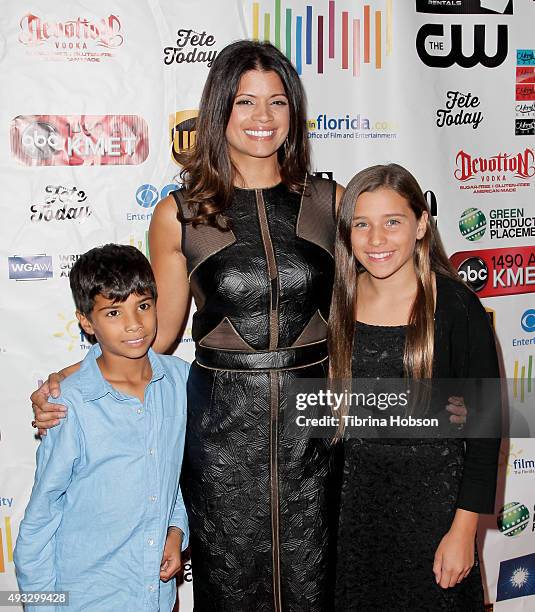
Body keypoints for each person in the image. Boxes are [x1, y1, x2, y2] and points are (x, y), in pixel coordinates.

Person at [30, 41, 344, 611]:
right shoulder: (181, 213)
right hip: (221, 434)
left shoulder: (328, 201)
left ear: (293, 112)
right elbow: (155, 332)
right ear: (219, 109)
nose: (263, 118)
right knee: (231, 593)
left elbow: (371, 309)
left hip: (316, 436)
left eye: (277, 102)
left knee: (317, 588)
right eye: (245, 102)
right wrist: (69, 383)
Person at [328, 164, 501, 611]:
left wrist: (463, 532)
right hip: (354, 514)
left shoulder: (457, 307)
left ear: (422, 224)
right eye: (361, 224)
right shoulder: (337, 303)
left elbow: (485, 429)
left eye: (393, 222)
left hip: (434, 512)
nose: (376, 239)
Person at [16, 244, 189, 611]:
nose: (133, 324)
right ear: (86, 322)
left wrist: (175, 531)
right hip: (86, 597)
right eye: (113, 312)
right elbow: (41, 519)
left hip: (154, 596)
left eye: (143, 305)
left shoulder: (179, 384)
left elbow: (170, 478)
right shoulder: (70, 405)